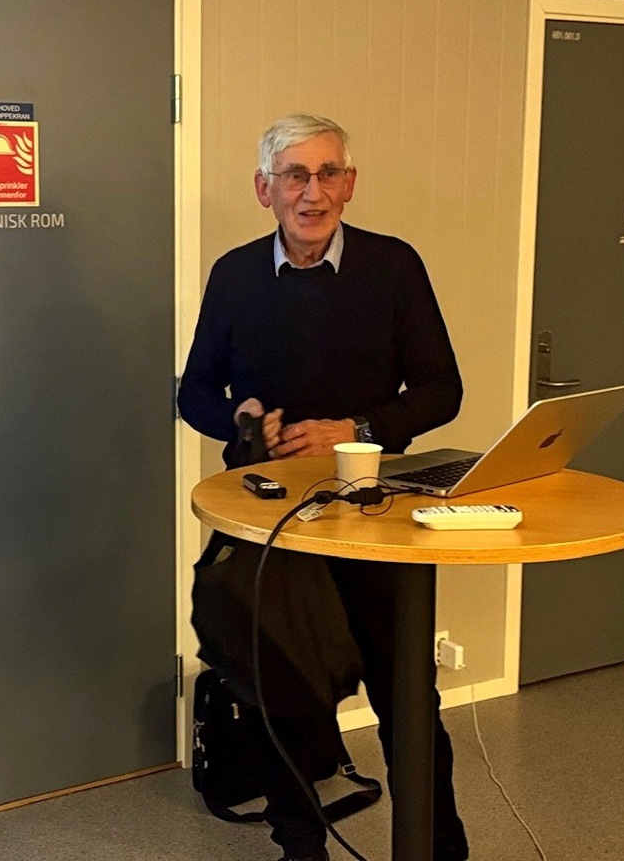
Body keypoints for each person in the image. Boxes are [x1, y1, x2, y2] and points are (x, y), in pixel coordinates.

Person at [178, 113, 468, 861]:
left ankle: (440, 849)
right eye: (295, 176)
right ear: (264, 189)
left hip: (375, 518)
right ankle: (300, 846)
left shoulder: (393, 266)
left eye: (328, 173)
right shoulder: (235, 274)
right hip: (272, 525)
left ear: (350, 183)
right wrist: (240, 417)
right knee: (279, 697)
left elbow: (442, 390)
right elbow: (195, 392)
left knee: (407, 699)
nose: (313, 192)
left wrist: (357, 427)